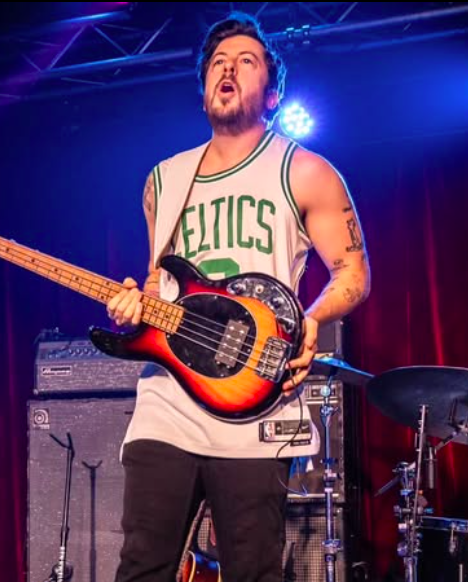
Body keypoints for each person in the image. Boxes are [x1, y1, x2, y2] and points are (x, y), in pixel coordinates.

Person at [106, 10, 371, 582]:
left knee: (252, 571)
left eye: (246, 61)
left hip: (254, 403)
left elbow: (352, 271)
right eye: (218, 63)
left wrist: (311, 319)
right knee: (141, 567)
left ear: (272, 94)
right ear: (203, 86)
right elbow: (160, 282)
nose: (227, 70)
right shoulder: (162, 181)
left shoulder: (304, 171)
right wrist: (136, 304)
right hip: (167, 406)